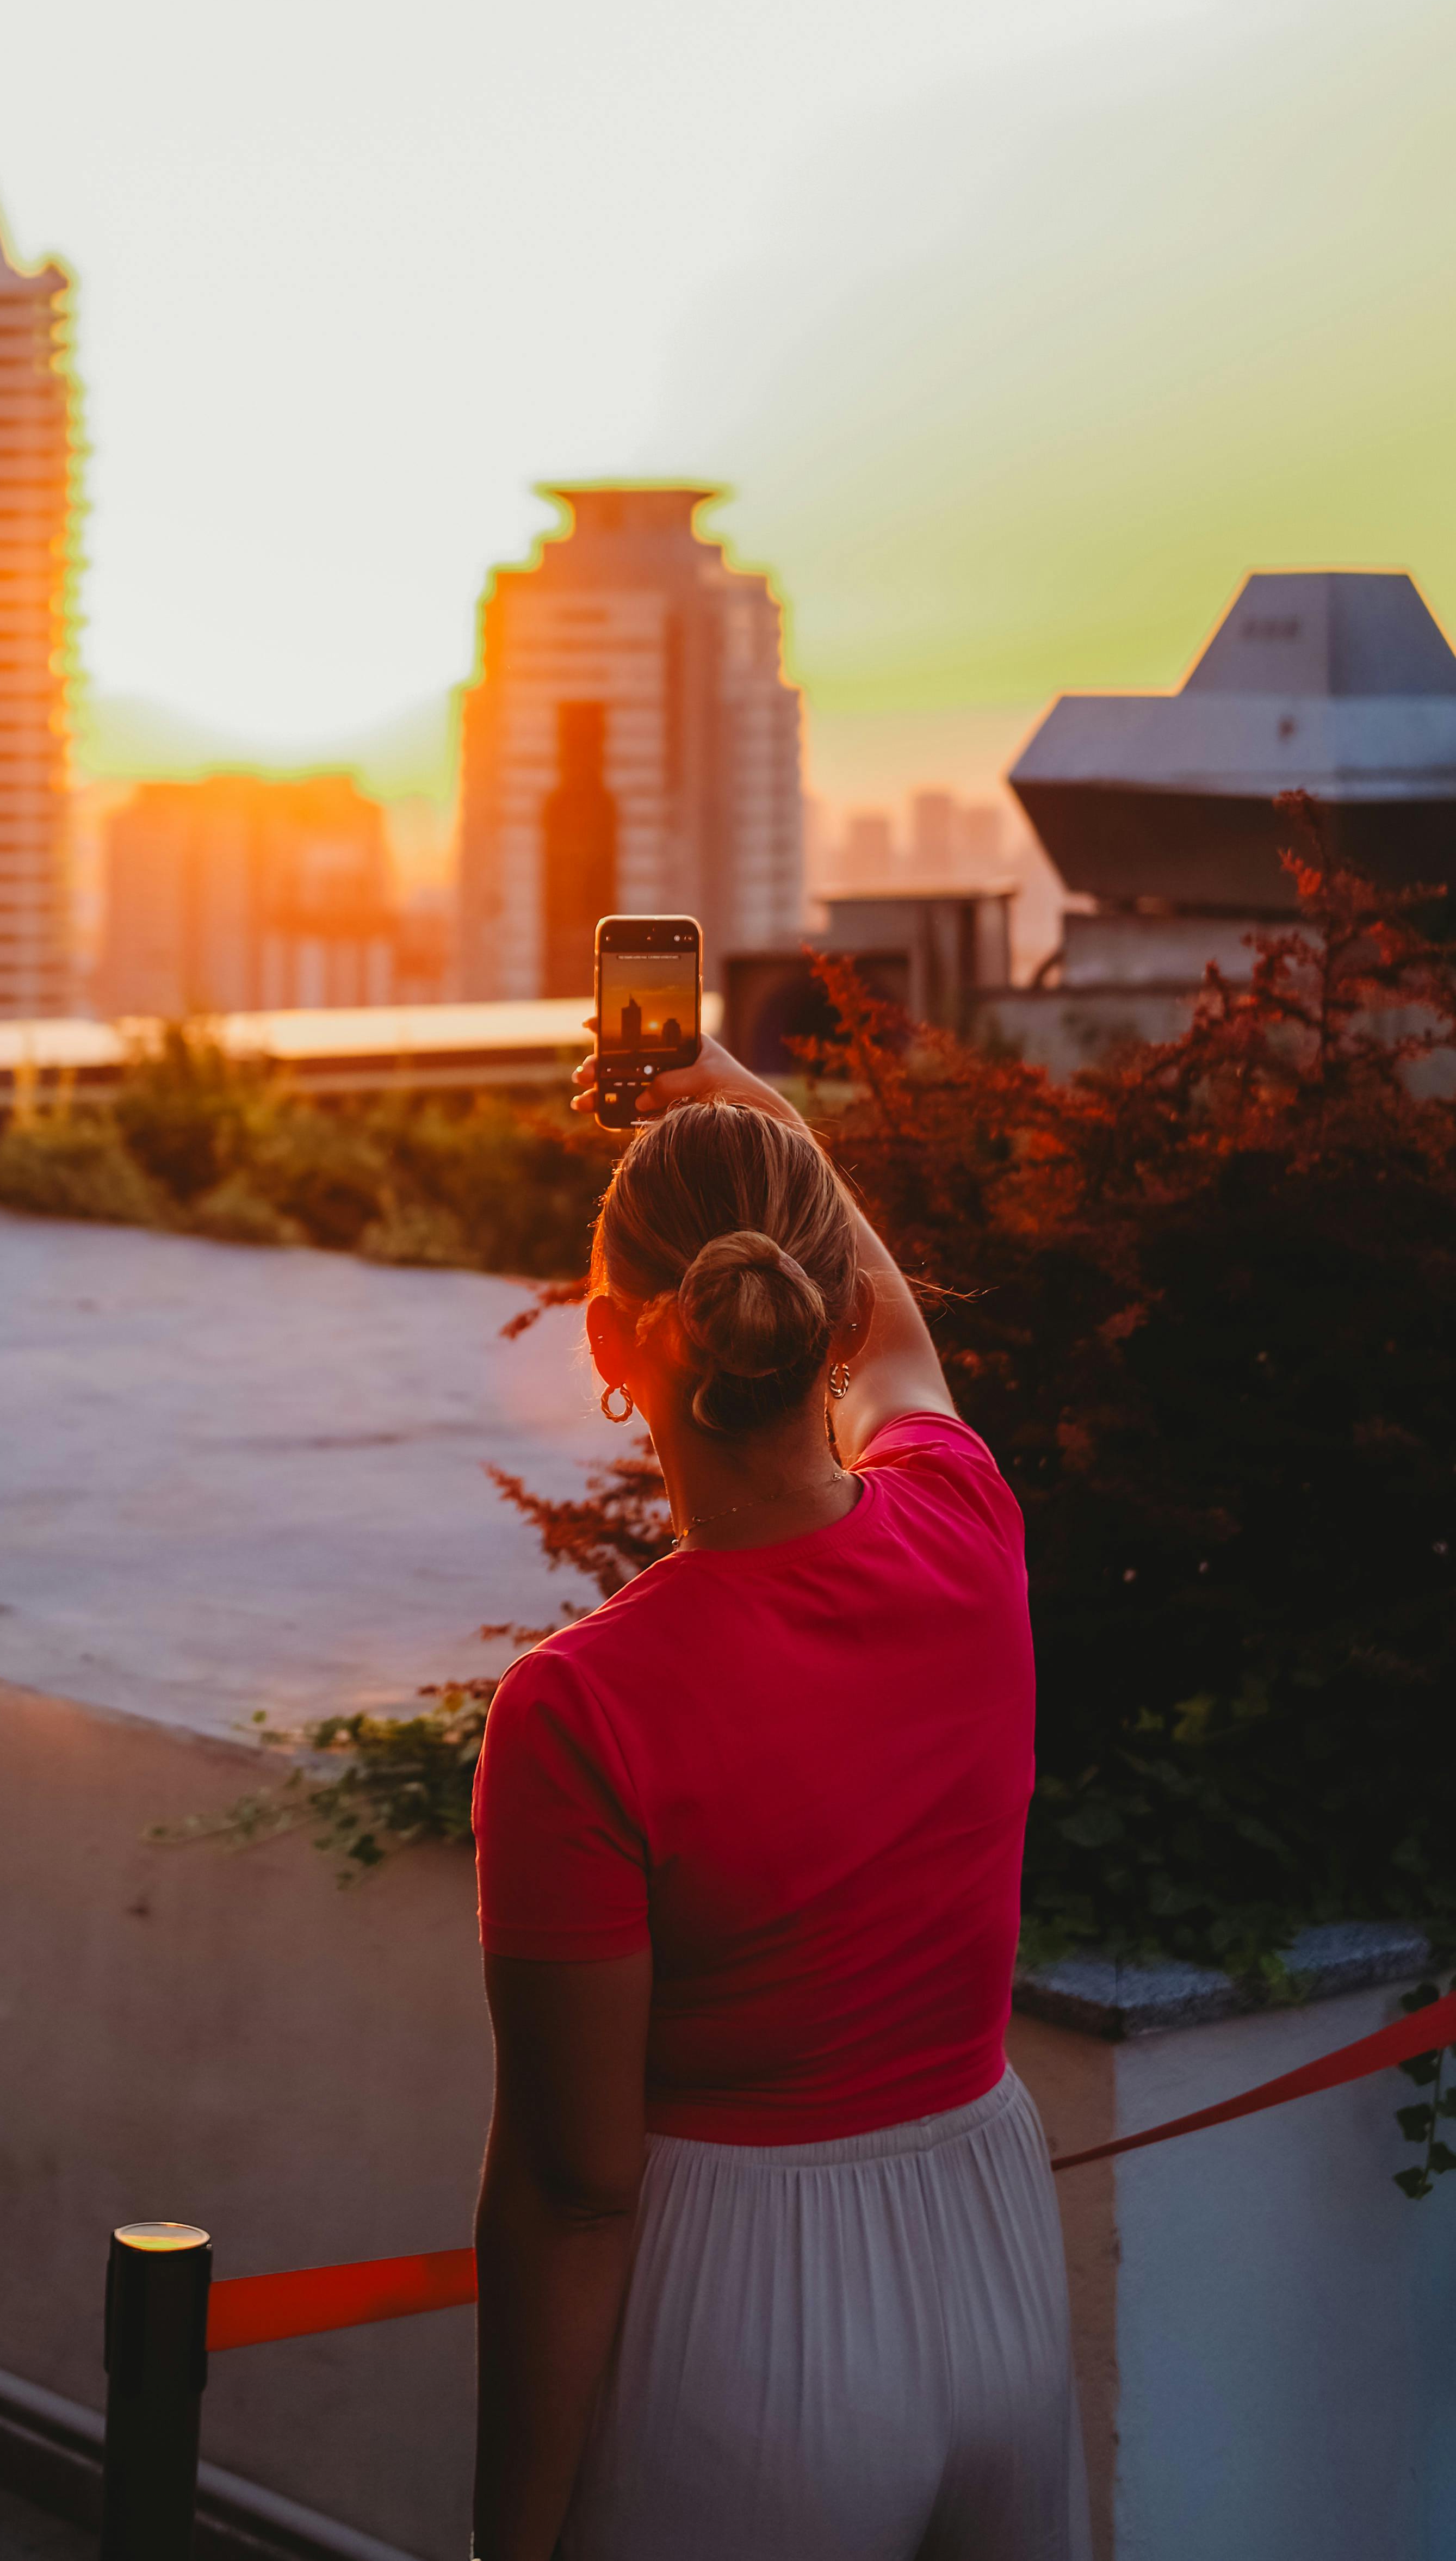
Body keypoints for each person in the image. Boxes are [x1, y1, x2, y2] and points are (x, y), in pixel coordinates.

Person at [468, 1035, 1087, 2561]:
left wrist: (510, 2532)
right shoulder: (966, 1519)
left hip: (742, 2324)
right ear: (825, 1312)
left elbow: (576, 2190)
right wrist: (759, 1105)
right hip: (997, 2254)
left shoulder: (581, 1708)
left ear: (611, 1346)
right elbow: (899, 1346)